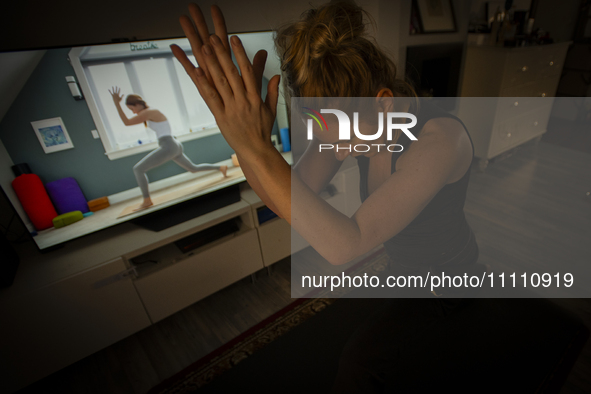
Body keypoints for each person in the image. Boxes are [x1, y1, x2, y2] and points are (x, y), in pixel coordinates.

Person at [171, 2, 483, 391]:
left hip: (448, 280)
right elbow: (280, 198)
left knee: (358, 364)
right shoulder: (343, 124)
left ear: (383, 102)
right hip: (401, 270)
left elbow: (345, 246)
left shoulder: (440, 142)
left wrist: (260, 151)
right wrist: (247, 142)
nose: (335, 153)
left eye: (345, 141)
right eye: (323, 136)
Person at [109, 87, 228, 210]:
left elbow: (127, 122)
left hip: (169, 146)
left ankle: (146, 200)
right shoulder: (150, 113)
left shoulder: (149, 112)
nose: (133, 112)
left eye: (132, 108)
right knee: (193, 168)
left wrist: (116, 103)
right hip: (172, 144)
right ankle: (221, 167)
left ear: (138, 104)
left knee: (138, 169)